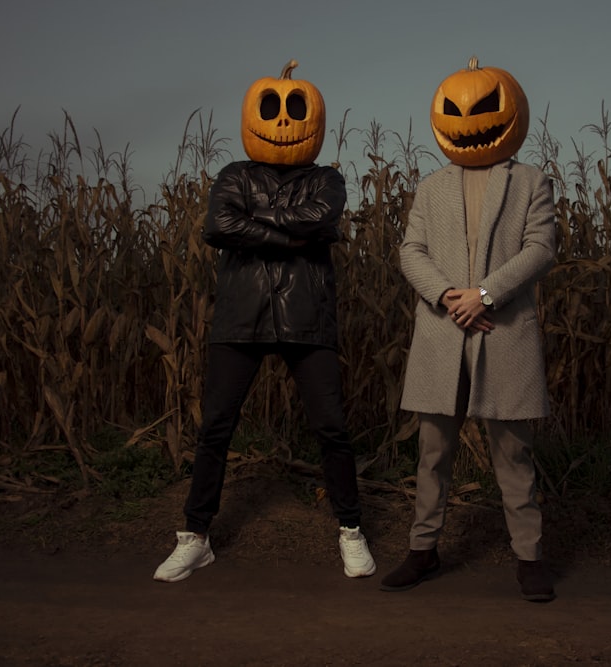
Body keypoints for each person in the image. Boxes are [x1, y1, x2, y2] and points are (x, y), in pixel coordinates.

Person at [154, 60, 375, 582]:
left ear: (311, 120)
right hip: (241, 315)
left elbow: (316, 219)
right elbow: (219, 224)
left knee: (331, 429)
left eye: (293, 109)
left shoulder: (327, 179)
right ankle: (196, 537)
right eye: (270, 109)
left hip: (306, 314)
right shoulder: (234, 174)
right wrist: (293, 239)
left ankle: (351, 531)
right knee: (216, 429)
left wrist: (260, 226)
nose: (281, 121)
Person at [380, 57, 557, 601]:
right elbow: (410, 251)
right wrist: (448, 297)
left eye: (482, 108)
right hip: (441, 334)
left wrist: (483, 295)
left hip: (502, 332)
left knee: (513, 454)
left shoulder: (531, 181)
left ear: (507, 112)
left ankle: (528, 558)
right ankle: (423, 549)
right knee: (432, 453)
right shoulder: (431, 187)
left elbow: (541, 249)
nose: (469, 120)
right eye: (457, 110)